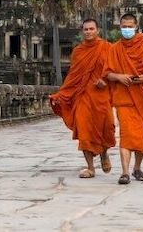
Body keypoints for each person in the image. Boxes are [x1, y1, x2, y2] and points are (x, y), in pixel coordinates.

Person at [103, 13, 143, 185]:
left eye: (130, 26)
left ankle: (137, 167)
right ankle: (125, 173)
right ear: (120, 26)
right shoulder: (115, 49)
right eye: (124, 26)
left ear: (136, 26)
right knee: (126, 134)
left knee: (139, 134)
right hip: (124, 98)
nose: (127, 29)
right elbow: (107, 73)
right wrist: (118, 77)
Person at [49, 19, 114, 179]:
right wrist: (62, 94)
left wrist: (105, 82)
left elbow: (115, 70)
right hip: (83, 95)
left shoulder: (108, 48)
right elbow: (73, 76)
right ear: (82, 31)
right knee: (84, 129)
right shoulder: (78, 51)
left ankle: (104, 153)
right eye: (85, 29)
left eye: (91, 29)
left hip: (101, 96)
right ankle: (90, 167)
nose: (88, 32)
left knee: (105, 128)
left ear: (97, 30)